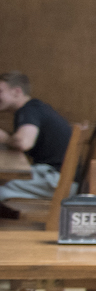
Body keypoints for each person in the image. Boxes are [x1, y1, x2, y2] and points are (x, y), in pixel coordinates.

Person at [0, 72, 73, 217]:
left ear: (17, 92)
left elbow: (24, 142)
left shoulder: (30, 110)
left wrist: (4, 138)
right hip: (57, 178)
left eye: (0, 91)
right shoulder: (34, 108)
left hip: (58, 181)